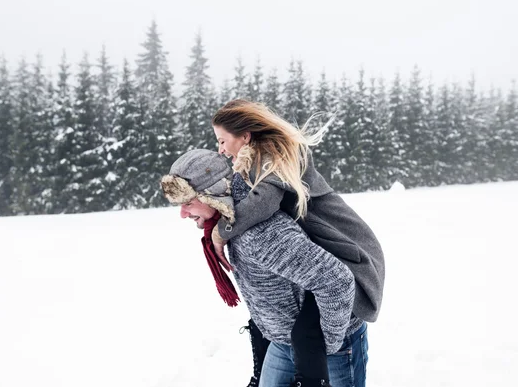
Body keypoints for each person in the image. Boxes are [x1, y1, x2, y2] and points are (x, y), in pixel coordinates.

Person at [209, 99, 386, 386]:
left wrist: (220, 232)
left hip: (348, 250)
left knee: (329, 307)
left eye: (222, 140)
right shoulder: (252, 162)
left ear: (245, 136)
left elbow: (263, 202)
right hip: (323, 252)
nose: (220, 149)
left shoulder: (277, 156)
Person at [161, 149, 366, 387]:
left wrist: (323, 348)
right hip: (284, 340)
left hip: (331, 340)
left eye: (188, 203)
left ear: (213, 196)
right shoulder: (230, 224)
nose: (183, 214)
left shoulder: (259, 234)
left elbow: (336, 280)